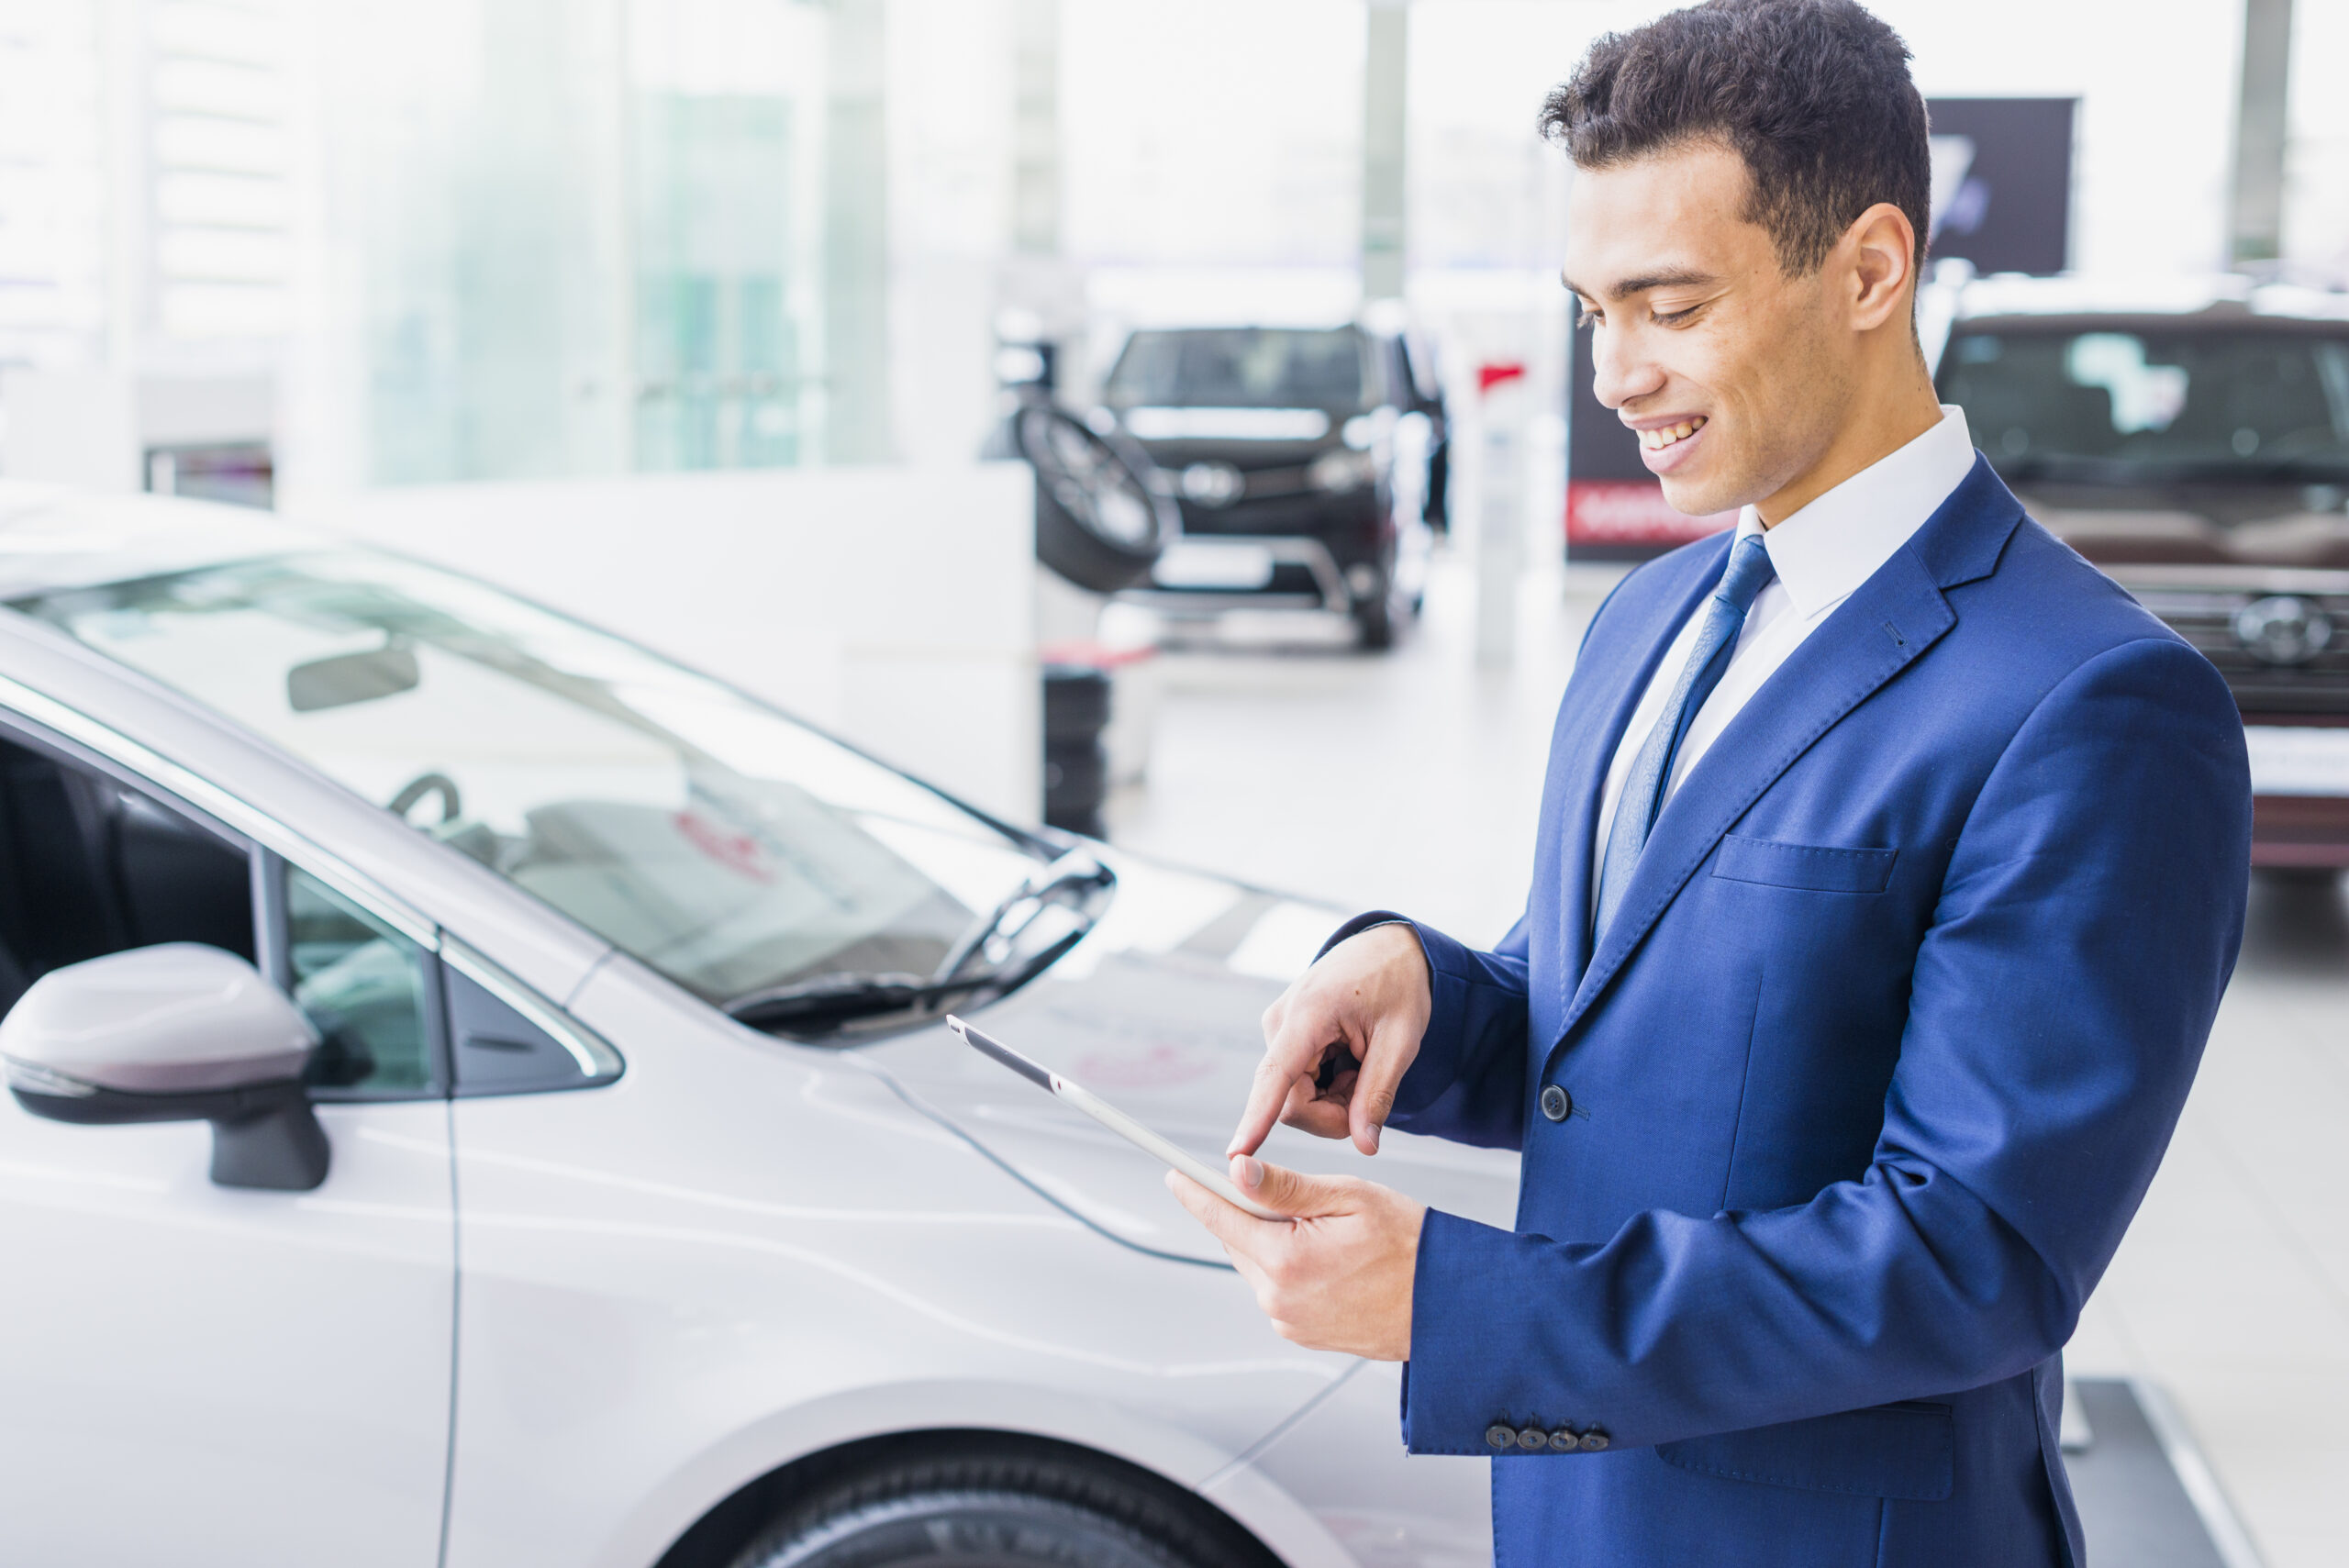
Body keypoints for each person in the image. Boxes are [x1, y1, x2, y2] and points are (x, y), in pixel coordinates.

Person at [1163, 2, 2253, 1564]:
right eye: (1591, 308)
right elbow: (1616, 1002)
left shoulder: (2094, 703)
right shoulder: (1651, 616)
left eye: (1670, 305)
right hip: (1579, 1510)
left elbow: (1973, 1253)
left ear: (1871, 269)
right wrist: (1432, 993)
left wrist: (1461, 1302)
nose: (1614, 372)